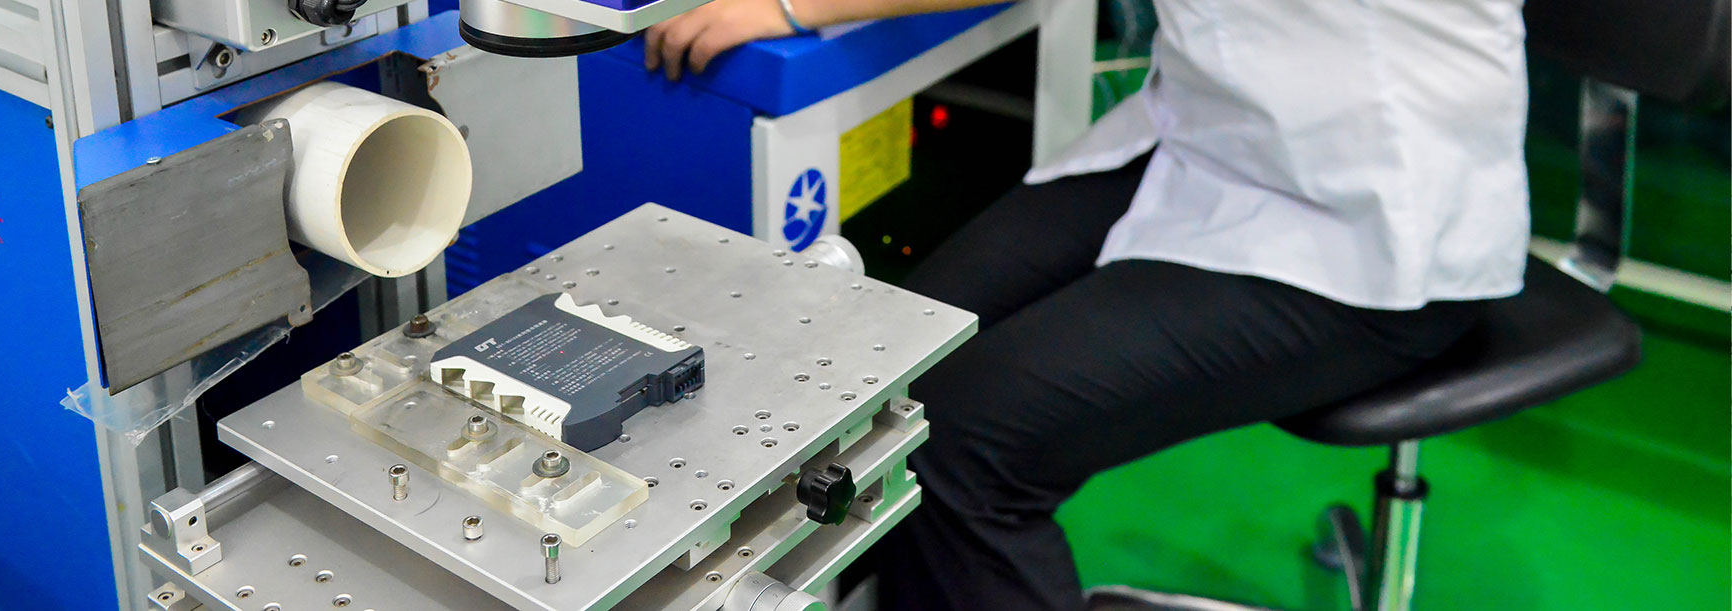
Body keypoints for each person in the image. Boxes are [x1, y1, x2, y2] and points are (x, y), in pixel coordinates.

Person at [649, 0, 1530, 609]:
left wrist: (791, 8)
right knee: (896, 354)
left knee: (959, 441)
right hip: (1214, 139)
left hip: (1370, 229)